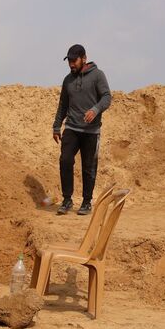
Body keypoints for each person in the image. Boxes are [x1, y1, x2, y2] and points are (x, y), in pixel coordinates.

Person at [52, 44, 111, 216]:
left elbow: (107, 97)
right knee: (65, 160)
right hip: (71, 127)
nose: (71, 64)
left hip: (91, 131)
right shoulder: (67, 80)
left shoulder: (98, 76)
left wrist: (95, 109)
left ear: (84, 58)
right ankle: (67, 199)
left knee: (89, 167)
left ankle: (86, 202)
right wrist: (56, 126)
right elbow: (63, 104)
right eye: (69, 60)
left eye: (74, 60)